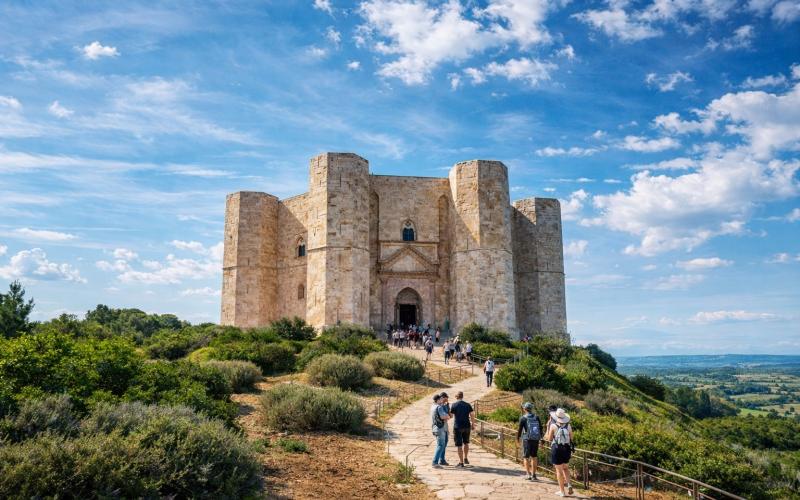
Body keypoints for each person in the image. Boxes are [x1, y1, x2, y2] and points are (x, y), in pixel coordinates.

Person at [544, 408, 574, 497]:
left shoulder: (553, 426)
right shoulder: (568, 426)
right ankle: (569, 484)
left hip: (557, 449)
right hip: (566, 449)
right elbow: (571, 438)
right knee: (566, 468)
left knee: (559, 471)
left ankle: (562, 491)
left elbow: (549, 439)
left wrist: (547, 428)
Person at [517, 402, 543, 480]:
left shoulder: (523, 418)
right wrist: (541, 439)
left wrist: (517, 439)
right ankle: (534, 475)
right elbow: (541, 429)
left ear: (525, 409)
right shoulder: (536, 417)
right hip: (535, 439)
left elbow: (520, 430)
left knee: (526, 457)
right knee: (534, 457)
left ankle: (528, 474)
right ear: (531, 409)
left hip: (526, 439)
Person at [449, 391, 475, 467]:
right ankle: (466, 458)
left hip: (458, 426)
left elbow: (451, 415)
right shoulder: (467, 405)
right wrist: (473, 424)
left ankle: (461, 462)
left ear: (457, 397)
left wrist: (448, 409)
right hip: (467, 425)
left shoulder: (454, 405)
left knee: (459, 445)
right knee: (466, 443)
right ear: (462, 396)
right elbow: (472, 415)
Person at [431, 393, 451, 467]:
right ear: (438, 400)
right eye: (440, 399)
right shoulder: (439, 407)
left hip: (436, 428)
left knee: (442, 444)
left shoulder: (432, 407)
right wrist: (447, 416)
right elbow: (443, 416)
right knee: (440, 445)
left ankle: (441, 460)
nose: (441, 400)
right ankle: (435, 462)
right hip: (440, 428)